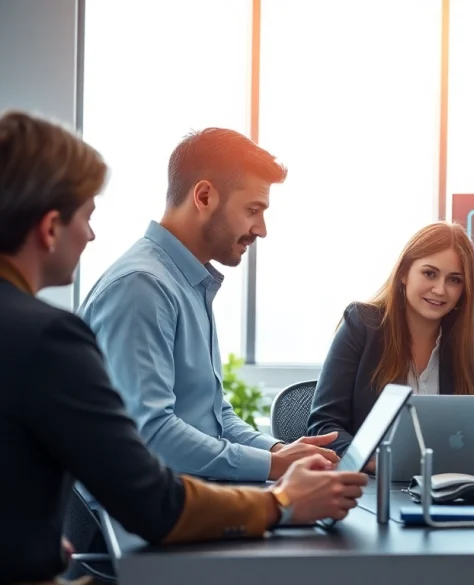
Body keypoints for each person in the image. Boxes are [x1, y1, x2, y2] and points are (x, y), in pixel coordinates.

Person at [0, 110, 368, 585]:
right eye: (87, 217)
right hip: (128, 545)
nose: (91, 235)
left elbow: (211, 412)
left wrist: (277, 452)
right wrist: (281, 496)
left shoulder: (187, 285)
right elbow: (152, 458)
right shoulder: (129, 292)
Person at [78, 128, 338, 483]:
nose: (261, 229)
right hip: (138, 521)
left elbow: (215, 418)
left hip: (184, 498)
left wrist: (279, 452)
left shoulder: (187, 281)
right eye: (253, 210)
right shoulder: (143, 287)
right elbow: (153, 435)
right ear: (204, 196)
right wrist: (274, 467)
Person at [308, 222, 474, 473]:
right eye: (429, 273)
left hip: (448, 487)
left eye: (454, 280)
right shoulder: (362, 325)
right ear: (404, 273)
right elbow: (324, 424)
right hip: (371, 487)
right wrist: (374, 462)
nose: (440, 289)